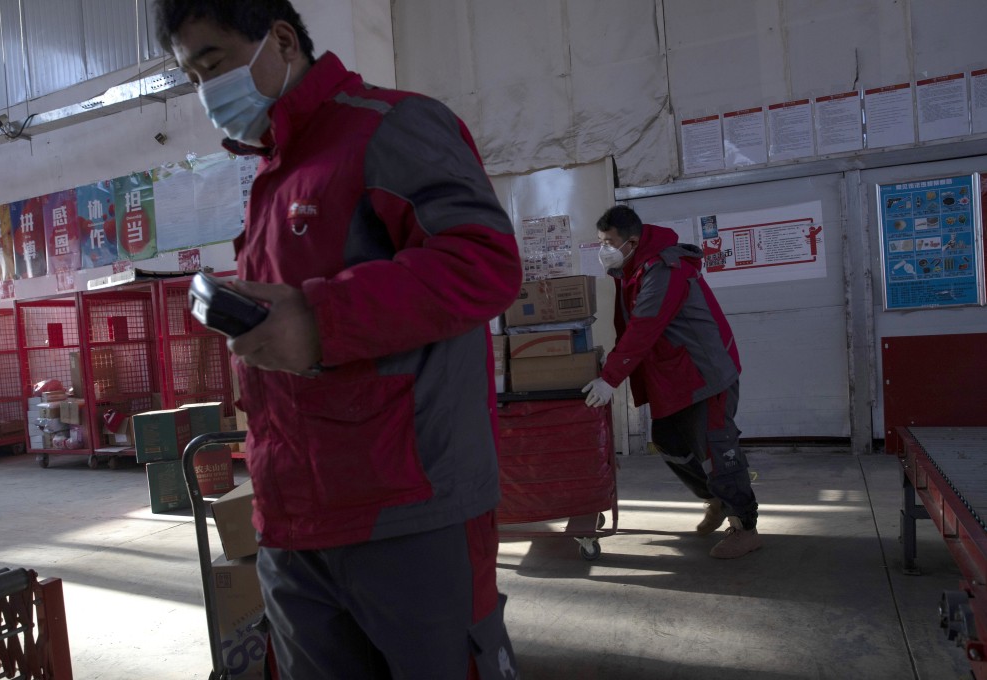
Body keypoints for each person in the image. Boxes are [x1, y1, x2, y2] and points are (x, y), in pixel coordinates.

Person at [154, 1, 523, 677]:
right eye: (191, 77)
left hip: (408, 513)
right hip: (295, 514)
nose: (206, 93)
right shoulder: (274, 173)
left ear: (283, 41)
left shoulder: (391, 127)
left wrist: (320, 320)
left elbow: (485, 262)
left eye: (213, 65)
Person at [582, 205, 761, 559]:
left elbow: (643, 328)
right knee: (667, 439)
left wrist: (609, 380)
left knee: (714, 446)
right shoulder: (632, 267)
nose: (604, 249)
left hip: (703, 372)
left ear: (631, 241)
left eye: (609, 242)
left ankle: (746, 524)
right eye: (600, 241)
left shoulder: (663, 269)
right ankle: (716, 498)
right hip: (675, 373)